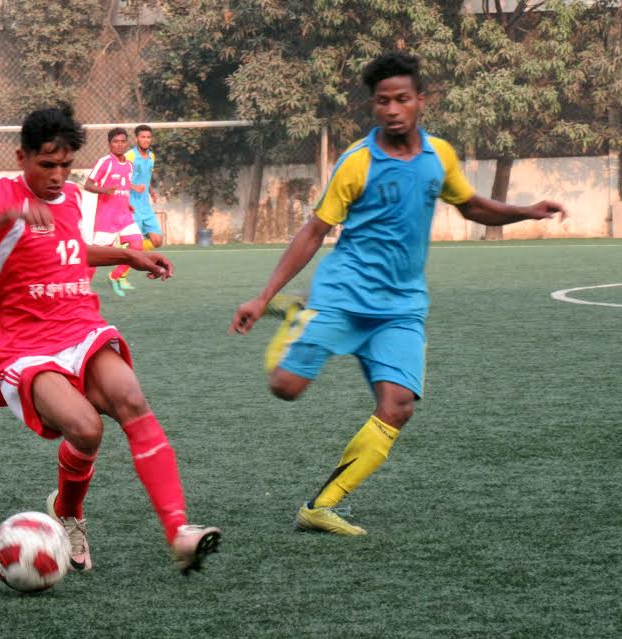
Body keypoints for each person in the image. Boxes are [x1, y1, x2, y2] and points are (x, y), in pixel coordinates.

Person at [229, 52, 566, 537]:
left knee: (398, 406)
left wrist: (526, 211)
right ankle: (293, 317)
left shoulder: (439, 157)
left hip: (400, 307)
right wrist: (264, 296)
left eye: (402, 99)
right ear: (374, 107)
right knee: (285, 389)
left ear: (420, 102)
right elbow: (313, 230)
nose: (392, 109)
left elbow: (471, 206)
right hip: (343, 295)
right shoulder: (357, 162)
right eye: (383, 101)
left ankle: (319, 506)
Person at [0, 106, 220, 574]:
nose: (57, 176)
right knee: (86, 429)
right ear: (22, 156)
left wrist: (125, 254)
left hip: (78, 326)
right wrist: (10, 215)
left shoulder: (73, 197)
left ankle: (179, 531)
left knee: (131, 399)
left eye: (65, 165)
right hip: (21, 343)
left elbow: (69, 253)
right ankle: (69, 513)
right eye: (46, 165)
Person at [85, 128, 141, 297]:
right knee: (95, 257)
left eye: (123, 141)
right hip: (106, 219)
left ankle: (115, 276)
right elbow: (88, 184)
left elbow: (123, 189)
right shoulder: (105, 162)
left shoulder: (130, 166)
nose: (119, 145)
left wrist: (128, 204)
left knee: (137, 245)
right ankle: (82, 287)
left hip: (125, 216)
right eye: (116, 142)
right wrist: (103, 191)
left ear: (127, 143)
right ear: (109, 144)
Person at [125, 124, 163, 251]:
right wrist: (134, 187)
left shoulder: (152, 156)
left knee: (157, 241)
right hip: (132, 207)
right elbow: (121, 178)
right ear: (136, 139)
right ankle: (120, 268)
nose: (146, 140)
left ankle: (129, 250)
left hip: (145, 207)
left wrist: (151, 191)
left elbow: (147, 177)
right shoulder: (129, 156)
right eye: (143, 137)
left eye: (148, 137)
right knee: (134, 245)